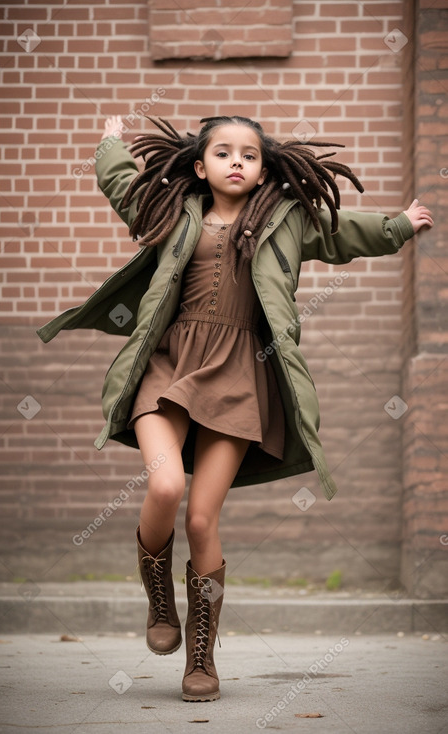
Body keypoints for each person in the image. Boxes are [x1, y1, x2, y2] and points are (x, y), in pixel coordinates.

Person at [37, 114, 433, 703]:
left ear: (264, 168)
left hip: (239, 378)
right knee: (165, 485)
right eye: (223, 153)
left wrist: (398, 224)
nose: (237, 162)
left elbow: (341, 230)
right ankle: (158, 600)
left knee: (201, 519)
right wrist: (109, 146)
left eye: (250, 154)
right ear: (201, 167)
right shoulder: (175, 211)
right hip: (167, 365)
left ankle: (202, 654)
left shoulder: (289, 219)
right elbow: (126, 189)